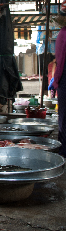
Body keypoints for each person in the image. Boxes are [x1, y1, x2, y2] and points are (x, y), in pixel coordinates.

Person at [53, 26, 66, 157]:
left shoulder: (64, 33)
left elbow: (60, 60)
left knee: (64, 119)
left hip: (64, 79)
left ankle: (64, 152)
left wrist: (56, 80)